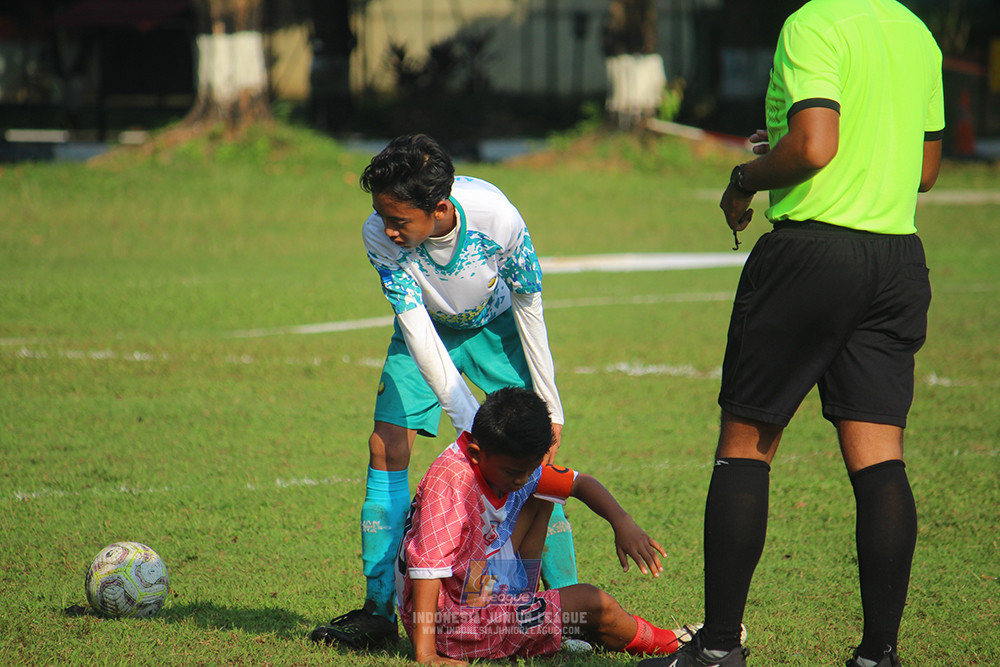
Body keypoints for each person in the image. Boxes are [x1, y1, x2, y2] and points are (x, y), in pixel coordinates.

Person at [641, 2, 944, 667]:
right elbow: (924, 170)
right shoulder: (916, 32)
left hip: (812, 254)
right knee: (880, 459)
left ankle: (719, 648)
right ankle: (878, 655)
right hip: (896, 259)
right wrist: (786, 145)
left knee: (746, 446)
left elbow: (813, 147)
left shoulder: (814, 23)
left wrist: (743, 180)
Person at [311, 134, 578, 649]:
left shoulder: (497, 217)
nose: (386, 228)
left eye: (398, 220)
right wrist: (468, 418)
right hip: (427, 333)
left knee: (531, 450)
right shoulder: (379, 235)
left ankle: (563, 606)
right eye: (380, 214)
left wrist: (551, 405)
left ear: (438, 208)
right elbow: (415, 326)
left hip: (498, 326)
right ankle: (378, 609)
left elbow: (528, 301)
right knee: (386, 446)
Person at [398, 386, 695, 663]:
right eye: (514, 471)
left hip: (474, 586)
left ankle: (522, 603)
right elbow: (427, 567)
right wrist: (427, 654)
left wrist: (622, 522)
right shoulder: (452, 481)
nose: (521, 479)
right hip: (454, 625)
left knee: (542, 494)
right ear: (476, 454)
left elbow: (579, 483)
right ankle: (672, 643)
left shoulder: (495, 460)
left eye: (529, 469)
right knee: (593, 604)